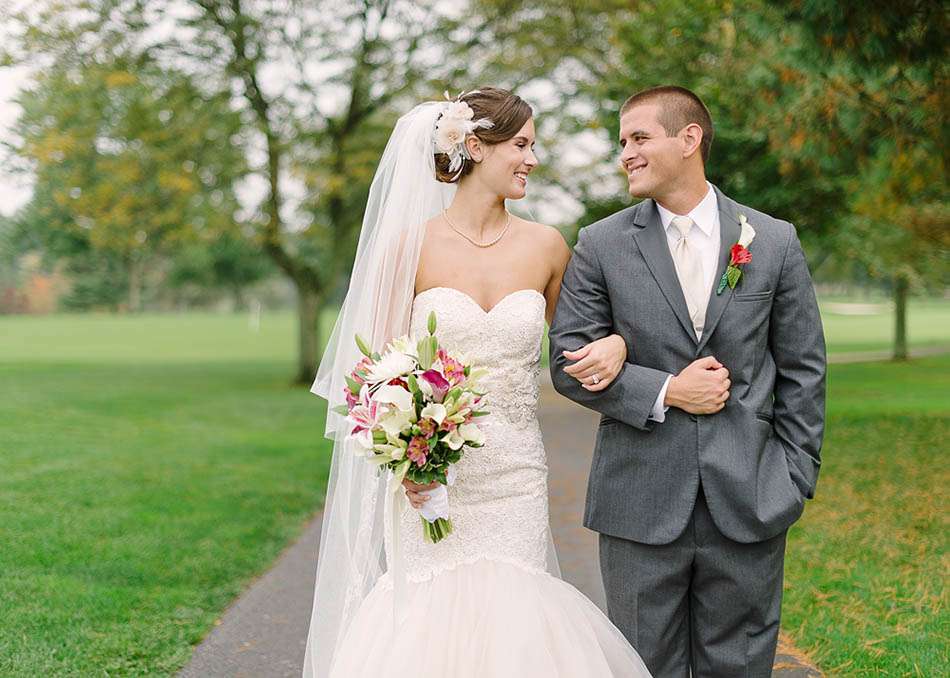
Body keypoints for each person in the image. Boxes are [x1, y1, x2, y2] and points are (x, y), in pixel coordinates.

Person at [305, 88, 652, 677]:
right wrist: (407, 461)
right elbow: (369, 379)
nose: (532, 160)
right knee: (430, 622)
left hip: (515, 472)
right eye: (520, 145)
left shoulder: (546, 245)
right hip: (431, 479)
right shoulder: (408, 246)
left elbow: (580, 342)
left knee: (515, 618)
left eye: (533, 146)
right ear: (473, 146)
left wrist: (618, 343)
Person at [548, 85, 827, 677]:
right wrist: (668, 391)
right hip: (638, 503)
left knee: (743, 665)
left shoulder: (772, 240)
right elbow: (567, 362)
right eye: (622, 142)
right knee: (644, 666)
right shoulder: (601, 245)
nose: (626, 153)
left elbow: (803, 369)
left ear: (690, 139)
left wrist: (794, 474)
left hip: (750, 495)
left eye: (639, 138)